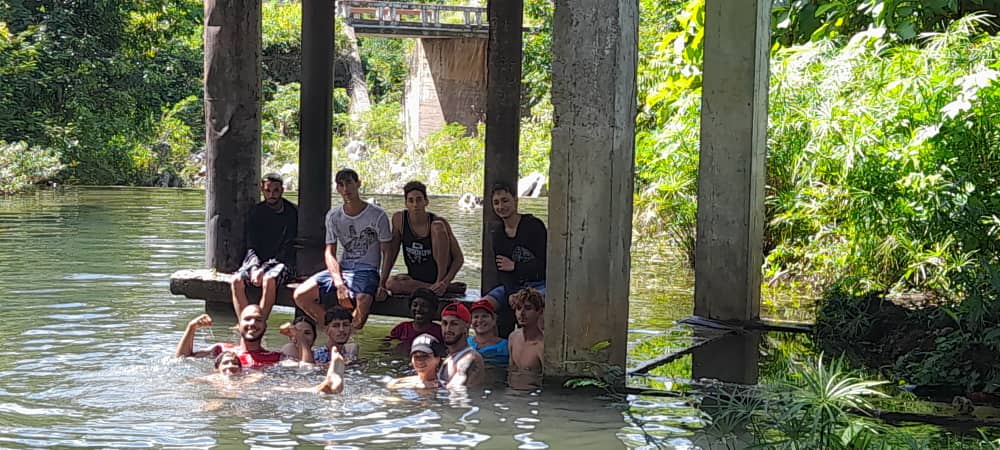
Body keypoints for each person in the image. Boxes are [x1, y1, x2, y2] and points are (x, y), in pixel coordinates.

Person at [293, 168, 393, 330]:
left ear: (358, 184)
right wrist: (339, 284)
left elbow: (387, 251)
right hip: (343, 268)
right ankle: (332, 329)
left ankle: (348, 335)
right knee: (300, 294)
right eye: (341, 185)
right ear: (337, 189)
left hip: (367, 270)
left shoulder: (377, 215)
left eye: (349, 183)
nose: (346, 189)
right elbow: (329, 252)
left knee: (363, 301)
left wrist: (383, 283)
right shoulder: (333, 216)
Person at [231, 173, 298, 319]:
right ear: (262, 190)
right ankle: (244, 321)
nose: (272, 194)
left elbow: (287, 248)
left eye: (276, 191)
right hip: (258, 262)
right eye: (268, 191)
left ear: (282, 190)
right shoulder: (256, 212)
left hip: (283, 262)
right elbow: (251, 245)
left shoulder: (292, 213)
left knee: (269, 279)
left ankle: (260, 321)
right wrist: (255, 267)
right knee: (236, 280)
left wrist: (264, 269)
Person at [385, 181, 465, 296]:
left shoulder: (439, 222)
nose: (415, 205)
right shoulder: (399, 220)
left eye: (419, 200)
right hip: (416, 277)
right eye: (411, 201)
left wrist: (445, 281)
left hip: (438, 274)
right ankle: (440, 289)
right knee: (391, 284)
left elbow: (459, 258)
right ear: (406, 203)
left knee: (438, 227)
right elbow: (392, 253)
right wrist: (382, 282)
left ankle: (440, 284)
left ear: (426, 201)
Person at [483, 182, 546, 320]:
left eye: (505, 201)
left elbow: (545, 264)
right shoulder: (498, 233)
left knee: (529, 305)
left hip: (540, 284)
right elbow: (502, 271)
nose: (501, 206)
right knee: (482, 306)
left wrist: (515, 266)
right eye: (496, 203)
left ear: (515, 201)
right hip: (514, 286)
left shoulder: (534, 226)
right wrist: (511, 293)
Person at [175, 305, 284, 368]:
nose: (252, 323)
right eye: (247, 319)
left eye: (258, 320)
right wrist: (191, 327)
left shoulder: (276, 358)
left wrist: (299, 336)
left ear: (265, 326)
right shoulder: (221, 350)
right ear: (238, 325)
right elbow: (181, 359)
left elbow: (301, 369)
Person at [437, 302, 485, 388]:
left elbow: (458, 393)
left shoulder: (471, 359)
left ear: (466, 326)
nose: (448, 329)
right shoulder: (450, 356)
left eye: (454, 324)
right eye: (444, 323)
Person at [313, 307, 357, 394]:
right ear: (327, 330)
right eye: (336, 326)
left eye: (345, 325)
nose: (341, 330)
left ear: (351, 329)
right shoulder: (318, 355)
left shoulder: (349, 352)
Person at [386, 288, 443, 354]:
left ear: (433, 310)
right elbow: (386, 344)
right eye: (415, 305)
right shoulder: (402, 328)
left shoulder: (439, 332)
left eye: (424, 306)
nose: (418, 309)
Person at [508, 288, 544, 389]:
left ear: (539, 312)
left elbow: (549, 383)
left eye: (528, 308)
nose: (522, 313)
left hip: (532, 396)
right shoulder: (513, 337)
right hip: (512, 393)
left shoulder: (542, 346)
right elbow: (511, 370)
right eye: (518, 308)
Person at [466, 299, 508, 366]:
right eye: (476, 317)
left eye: (484, 316)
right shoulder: (466, 342)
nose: (480, 320)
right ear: (471, 321)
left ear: (494, 319)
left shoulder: (505, 346)